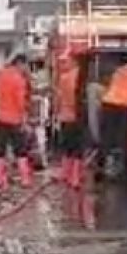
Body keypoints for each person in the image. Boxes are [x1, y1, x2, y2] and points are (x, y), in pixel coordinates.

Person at [0, 53, 33, 191]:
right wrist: (25, 121)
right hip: (15, 120)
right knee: (20, 150)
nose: (26, 69)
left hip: (0, 117)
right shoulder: (19, 79)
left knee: (0, 149)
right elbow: (21, 102)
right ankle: (25, 179)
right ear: (20, 63)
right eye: (26, 66)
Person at [101, 59, 127, 178]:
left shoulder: (120, 69)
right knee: (123, 135)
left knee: (109, 135)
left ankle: (108, 163)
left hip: (109, 101)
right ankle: (120, 166)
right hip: (124, 103)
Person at [52, 52, 83, 186]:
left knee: (68, 147)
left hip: (67, 117)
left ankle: (68, 175)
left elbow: (58, 100)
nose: (61, 65)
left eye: (64, 62)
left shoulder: (65, 78)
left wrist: (56, 113)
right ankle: (74, 177)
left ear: (73, 62)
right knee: (75, 147)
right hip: (75, 117)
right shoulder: (78, 76)